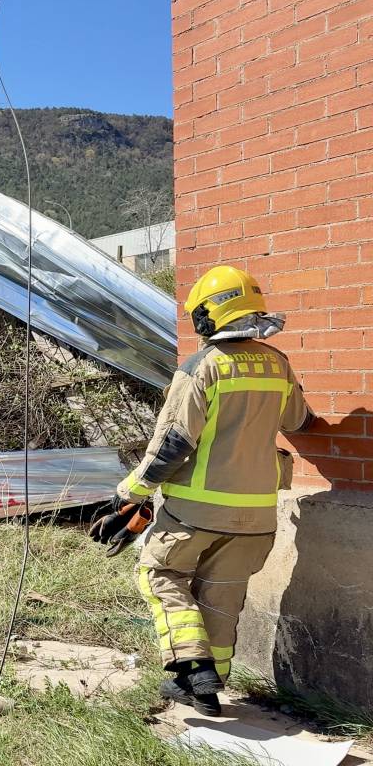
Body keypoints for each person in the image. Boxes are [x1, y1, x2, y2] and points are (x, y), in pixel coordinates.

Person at [111, 265, 313, 716]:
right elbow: (299, 421)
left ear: (210, 316)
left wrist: (133, 490)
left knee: (159, 574)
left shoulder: (202, 367)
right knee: (223, 597)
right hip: (258, 516)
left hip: (195, 512)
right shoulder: (278, 363)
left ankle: (190, 663)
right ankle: (207, 688)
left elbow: (173, 443)